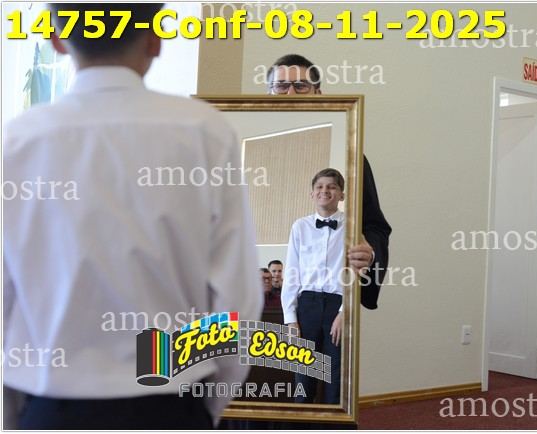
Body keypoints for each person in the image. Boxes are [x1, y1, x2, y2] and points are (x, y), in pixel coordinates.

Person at [2, 3, 262, 429]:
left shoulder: (17, 141)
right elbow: (237, 297)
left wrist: (12, 415)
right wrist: (208, 405)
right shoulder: (204, 131)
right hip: (170, 404)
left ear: (56, 40)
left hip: (50, 406)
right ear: (156, 40)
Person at [267, 54, 392, 311]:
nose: (290, 93)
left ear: (317, 93)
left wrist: (369, 253)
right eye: (281, 86)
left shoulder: (350, 157)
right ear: (268, 94)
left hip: (334, 305)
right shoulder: (234, 151)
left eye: (301, 86)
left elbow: (376, 227)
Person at [281, 168, 346, 404]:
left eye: (331, 187)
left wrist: (345, 312)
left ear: (341, 194)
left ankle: (333, 422)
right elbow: (292, 272)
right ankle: (301, 422)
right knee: (303, 375)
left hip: (337, 307)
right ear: (312, 193)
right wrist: (290, 319)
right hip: (307, 305)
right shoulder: (300, 226)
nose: (324, 191)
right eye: (319, 187)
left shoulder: (353, 226)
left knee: (335, 377)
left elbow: (358, 273)